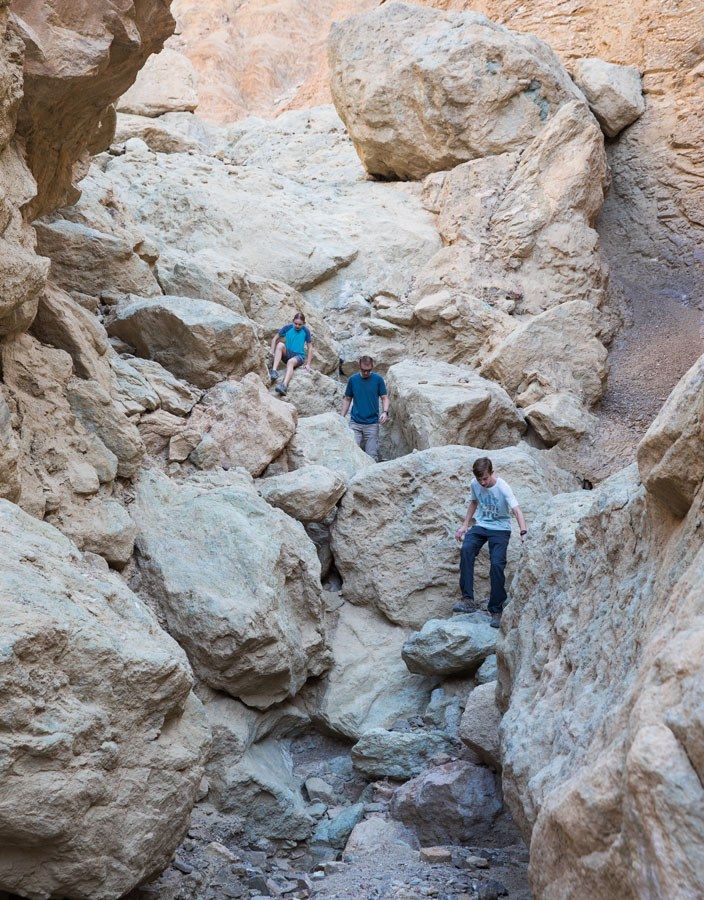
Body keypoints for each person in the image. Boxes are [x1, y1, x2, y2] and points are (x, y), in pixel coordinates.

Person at [453, 456, 527, 628]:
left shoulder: (503, 487)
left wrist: (523, 532)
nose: (483, 483)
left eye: (485, 478)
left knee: (496, 564)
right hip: (482, 525)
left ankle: (496, 609)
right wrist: (465, 525)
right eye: (480, 479)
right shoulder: (475, 484)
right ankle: (468, 600)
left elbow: (517, 510)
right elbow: (473, 502)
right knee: (467, 549)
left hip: (501, 528)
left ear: (492, 473)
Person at [341, 355, 389, 462]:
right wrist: (341, 417)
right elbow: (347, 399)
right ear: (359, 366)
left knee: (372, 456)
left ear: (372, 367)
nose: (366, 373)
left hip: (372, 424)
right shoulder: (353, 380)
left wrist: (385, 412)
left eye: (368, 370)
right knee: (352, 453)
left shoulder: (378, 379)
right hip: (355, 423)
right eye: (363, 370)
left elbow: (384, 398)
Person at [269, 312, 313, 396]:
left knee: (290, 362)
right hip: (287, 354)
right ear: (293, 321)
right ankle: (274, 371)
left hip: (298, 357)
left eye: (300, 324)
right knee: (280, 345)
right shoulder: (287, 327)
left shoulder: (306, 331)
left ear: (304, 323)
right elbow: (275, 339)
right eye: (295, 323)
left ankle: (284, 386)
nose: (297, 326)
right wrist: (271, 350)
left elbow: (310, 347)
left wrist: (308, 364)